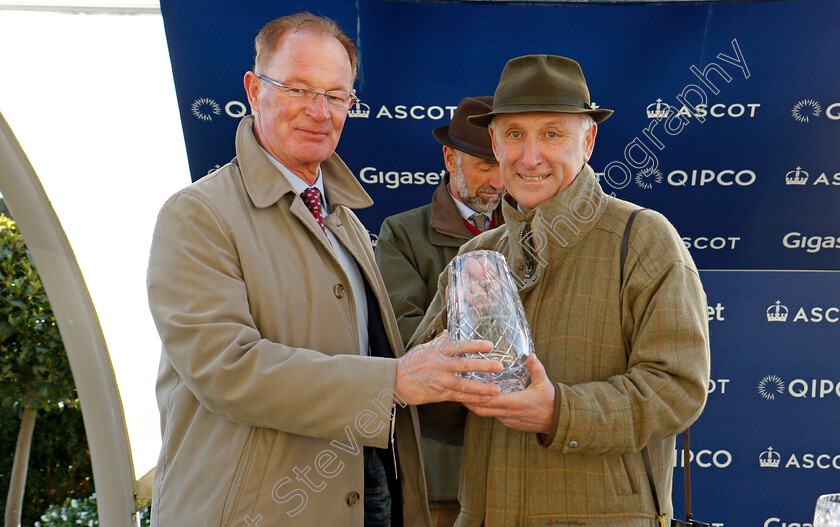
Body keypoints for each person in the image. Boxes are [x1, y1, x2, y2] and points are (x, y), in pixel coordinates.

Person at [146, 13, 502, 527]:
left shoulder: (348, 223)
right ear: (253, 90)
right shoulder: (198, 214)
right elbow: (227, 369)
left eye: (337, 96)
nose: (319, 112)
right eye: (298, 88)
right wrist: (397, 380)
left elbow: (373, 355)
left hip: (362, 496)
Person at [408, 55, 711, 526]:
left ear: (587, 141)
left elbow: (679, 388)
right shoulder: (475, 257)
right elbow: (429, 410)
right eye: (514, 135)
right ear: (494, 142)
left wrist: (559, 413)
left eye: (552, 134)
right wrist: (443, 373)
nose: (530, 158)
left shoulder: (642, 238)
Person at [375, 96, 503, 526]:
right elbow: (406, 345)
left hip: (528, 468)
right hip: (444, 477)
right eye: (485, 165)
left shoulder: (537, 231)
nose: (499, 181)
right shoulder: (402, 234)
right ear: (449, 157)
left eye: (505, 163)